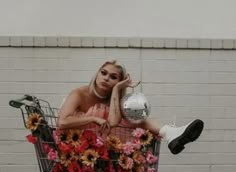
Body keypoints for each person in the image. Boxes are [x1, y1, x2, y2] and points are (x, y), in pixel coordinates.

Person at [58, 60, 204, 154]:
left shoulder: (113, 99)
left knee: (131, 107)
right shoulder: (79, 93)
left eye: (113, 77)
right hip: (74, 142)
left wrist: (116, 90)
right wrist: (94, 118)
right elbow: (62, 122)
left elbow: (113, 122)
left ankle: (169, 133)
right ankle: (169, 132)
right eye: (103, 73)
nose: (106, 78)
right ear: (97, 74)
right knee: (123, 110)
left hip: (99, 141)